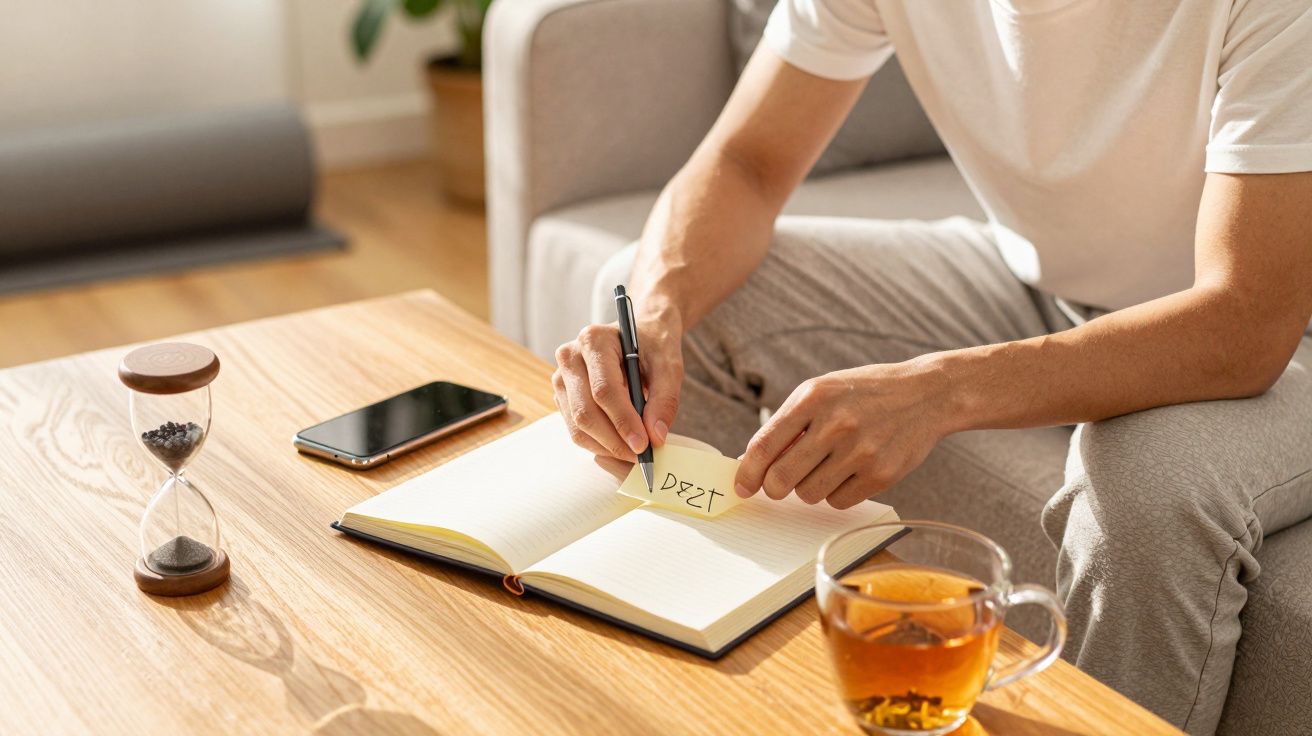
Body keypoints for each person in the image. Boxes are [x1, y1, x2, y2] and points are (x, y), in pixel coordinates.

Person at [549, 1, 1312, 733]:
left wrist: (942, 391)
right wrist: (653, 313)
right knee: (674, 294)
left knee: (1145, 482)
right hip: (1046, 285)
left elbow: (1245, 320)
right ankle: (736, 702)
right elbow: (748, 162)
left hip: (1285, 329)